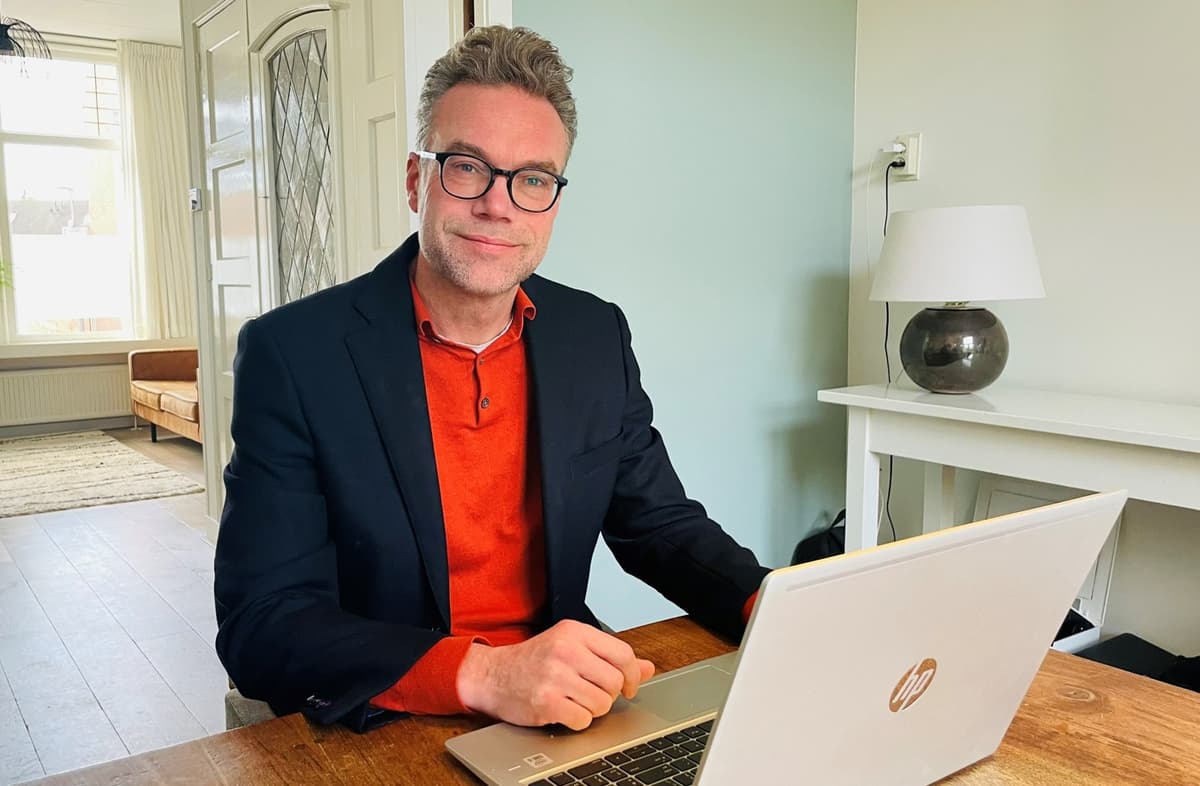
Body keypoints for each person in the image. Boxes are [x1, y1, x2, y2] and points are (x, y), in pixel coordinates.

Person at [214, 25, 767, 734]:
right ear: (418, 180)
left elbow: (657, 522)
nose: (499, 206)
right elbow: (262, 624)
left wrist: (775, 605)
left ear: (554, 202)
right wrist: (483, 673)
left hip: (563, 710)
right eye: (468, 167)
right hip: (391, 715)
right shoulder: (293, 354)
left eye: (533, 178)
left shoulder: (593, 334)